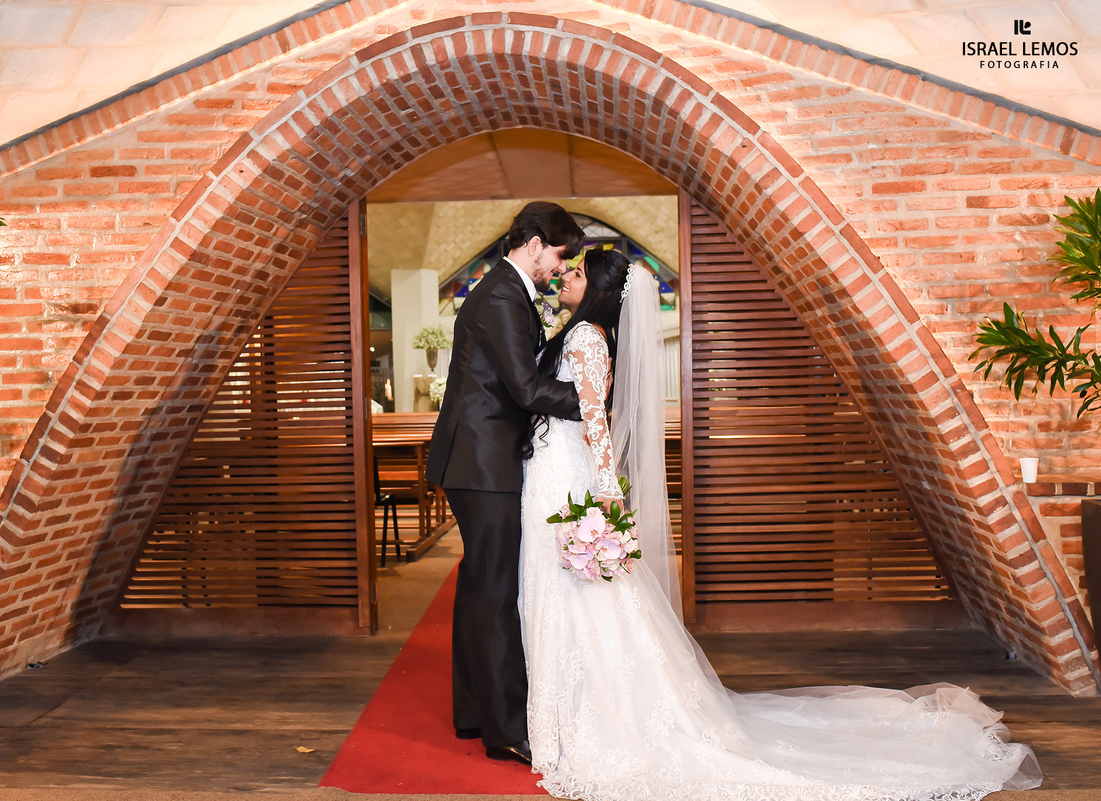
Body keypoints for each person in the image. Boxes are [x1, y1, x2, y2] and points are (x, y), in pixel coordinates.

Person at [518, 247, 1042, 801]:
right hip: (562, 470)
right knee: (580, 597)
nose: (564, 279)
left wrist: (605, 493)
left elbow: (596, 421)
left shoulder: (588, 337)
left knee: (584, 597)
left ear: (598, 289)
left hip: (574, 477)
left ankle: (586, 716)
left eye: (575, 273)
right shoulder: (583, 334)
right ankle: (573, 709)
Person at [426, 201, 586, 766]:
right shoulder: (500, 294)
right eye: (558, 256)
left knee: (479, 589)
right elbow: (524, 389)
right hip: (483, 462)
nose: (555, 269)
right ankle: (503, 730)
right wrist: (592, 401)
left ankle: (474, 714)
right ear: (536, 240)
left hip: (479, 459)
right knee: (494, 595)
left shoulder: (507, 291)